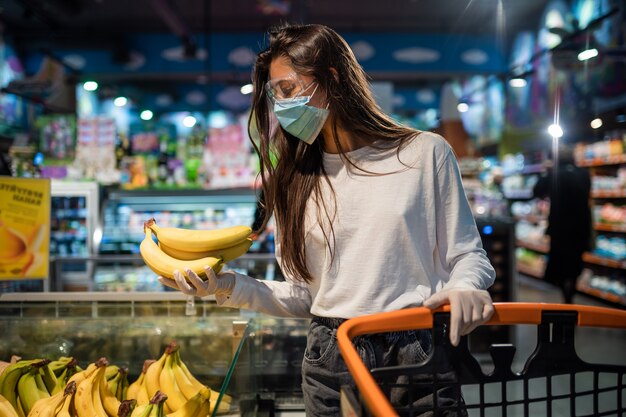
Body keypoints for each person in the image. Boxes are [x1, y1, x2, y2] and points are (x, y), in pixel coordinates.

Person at [159, 23, 495, 416]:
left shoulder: (424, 153)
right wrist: (224, 286)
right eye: (274, 96)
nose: (281, 106)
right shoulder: (293, 178)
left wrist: (466, 286)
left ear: (331, 80)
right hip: (330, 355)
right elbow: (306, 296)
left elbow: (468, 254)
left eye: (287, 90)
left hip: (417, 353)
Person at [533, 144, 592, 304]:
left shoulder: (555, 174)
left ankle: (565, 295)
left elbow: (537, 191)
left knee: (559, 263)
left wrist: (546, 171)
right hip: (581, 226)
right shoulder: (584, 173)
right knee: (575, 263)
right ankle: (570, 294)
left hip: (560, 226)